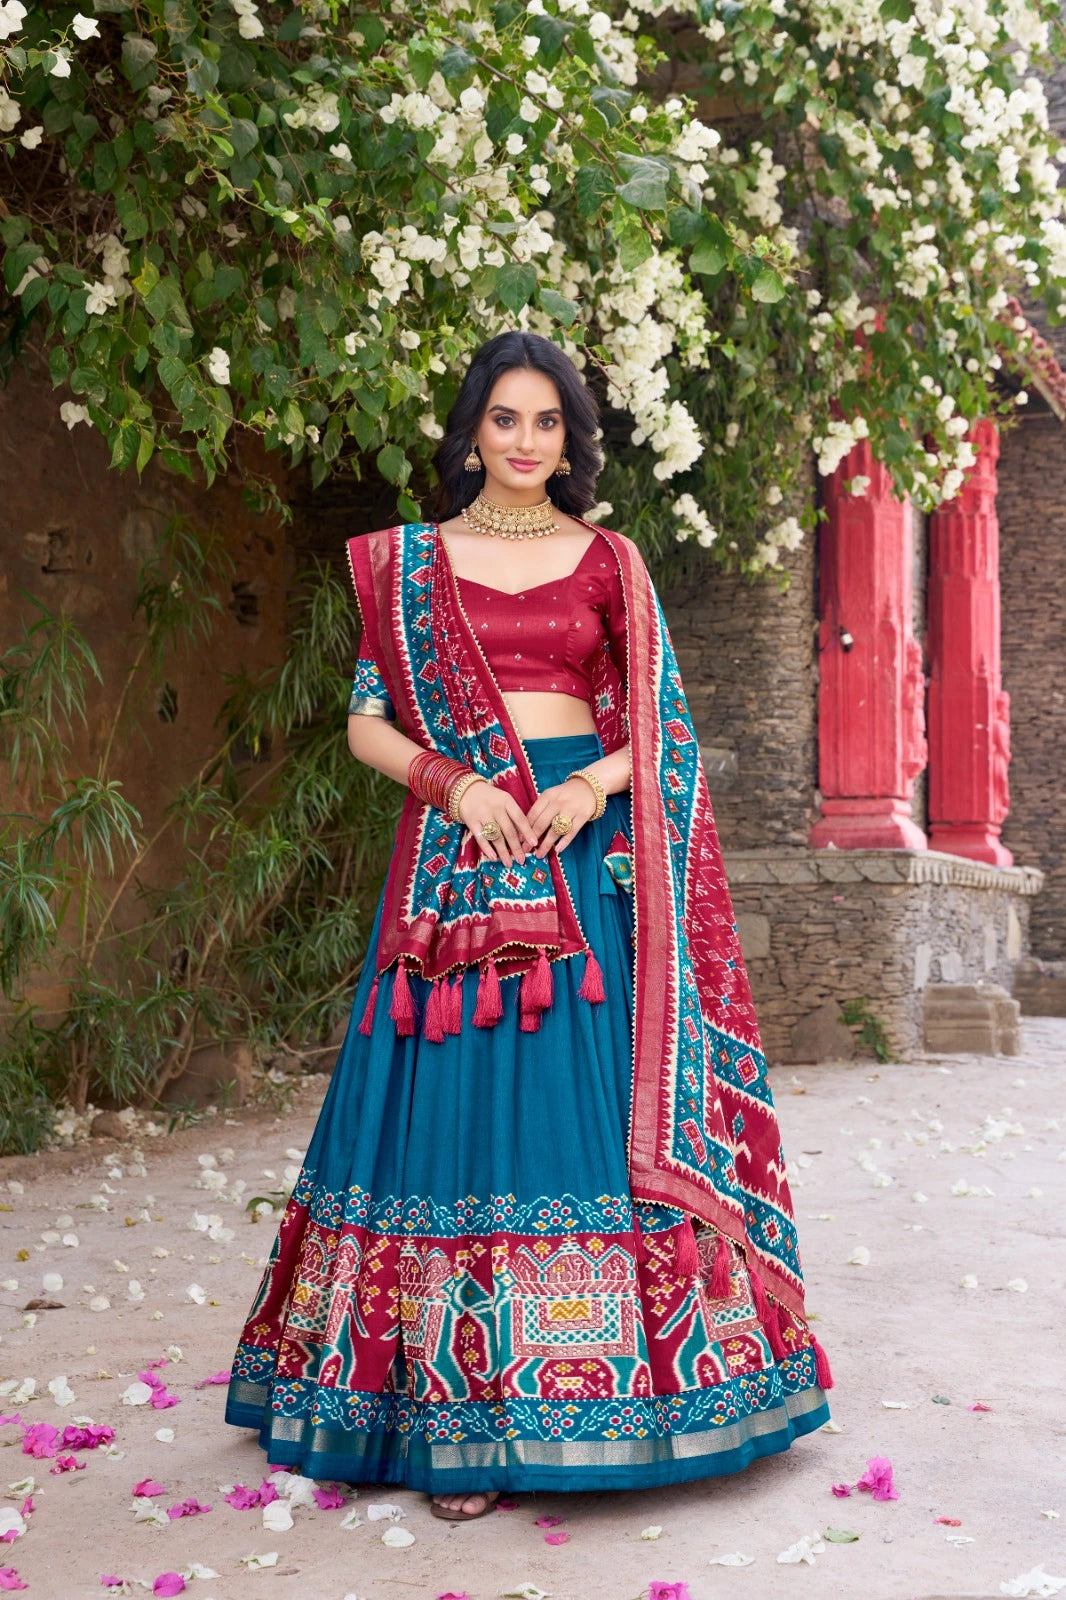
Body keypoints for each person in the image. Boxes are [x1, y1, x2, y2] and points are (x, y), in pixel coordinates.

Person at [224, 330, 832, 1522]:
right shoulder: (408, 564)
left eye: (544, 422)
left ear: (572, 439)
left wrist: (585, 788)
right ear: (469, 434)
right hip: (456, 853)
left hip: (576, 853)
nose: (522, 441)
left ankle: (639, 1391)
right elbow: (364, 722)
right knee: (451, 1114)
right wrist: (456, 785)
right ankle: (457, 1418)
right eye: (502, 419)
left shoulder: (608, 560)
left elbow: (663, 730)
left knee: (582, 1113)